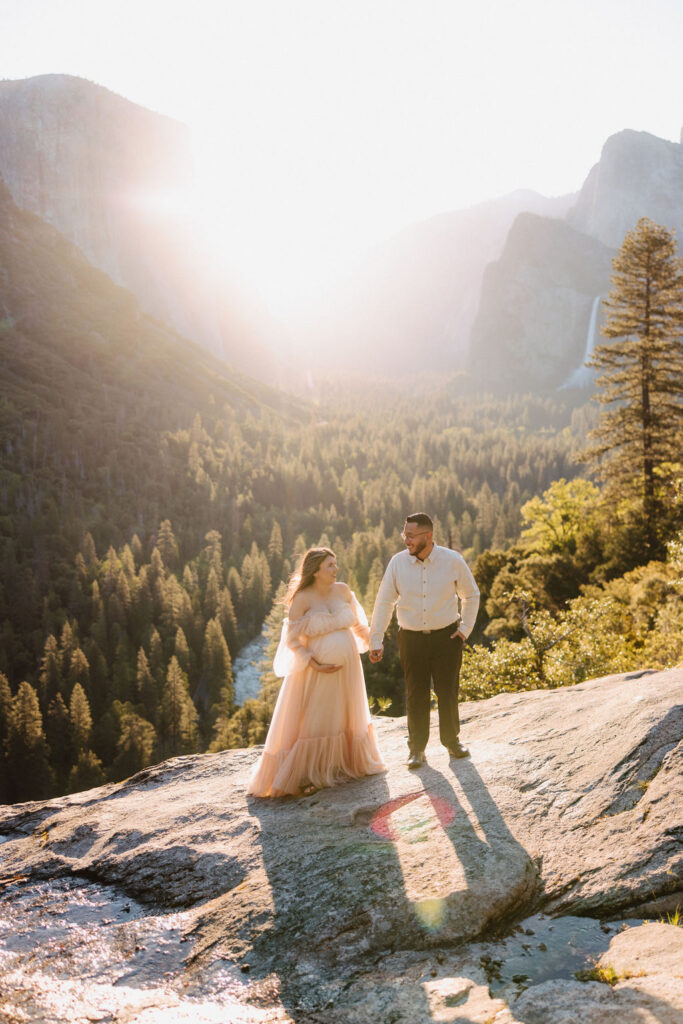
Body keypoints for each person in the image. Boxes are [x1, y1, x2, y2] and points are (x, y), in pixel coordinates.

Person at [247, 547, 386, 798]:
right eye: (330, 566)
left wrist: (374, 644)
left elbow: (358, 625)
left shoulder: (343, 591)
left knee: (344, 716)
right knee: (317, 720)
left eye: (335, 564)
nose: (335, 570)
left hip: (349, 669)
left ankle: (343, 765)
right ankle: (308, 776)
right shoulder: (302, 599)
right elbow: (292, 640)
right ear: (315, 571)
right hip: (318, 671)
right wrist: (313, 663)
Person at [369, 513, 480, 769]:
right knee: (416, 693)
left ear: (427, 537)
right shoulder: (397, 563)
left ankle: (452, 743)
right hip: (411, 639)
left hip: (447, 637)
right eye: (404, 534)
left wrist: (465, 629)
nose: (405, 540)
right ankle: (417, 749)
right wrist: (376, 639)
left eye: (410, 535)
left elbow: (471, 595)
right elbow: (384, 602)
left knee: (447, 691)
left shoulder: (452, 561)